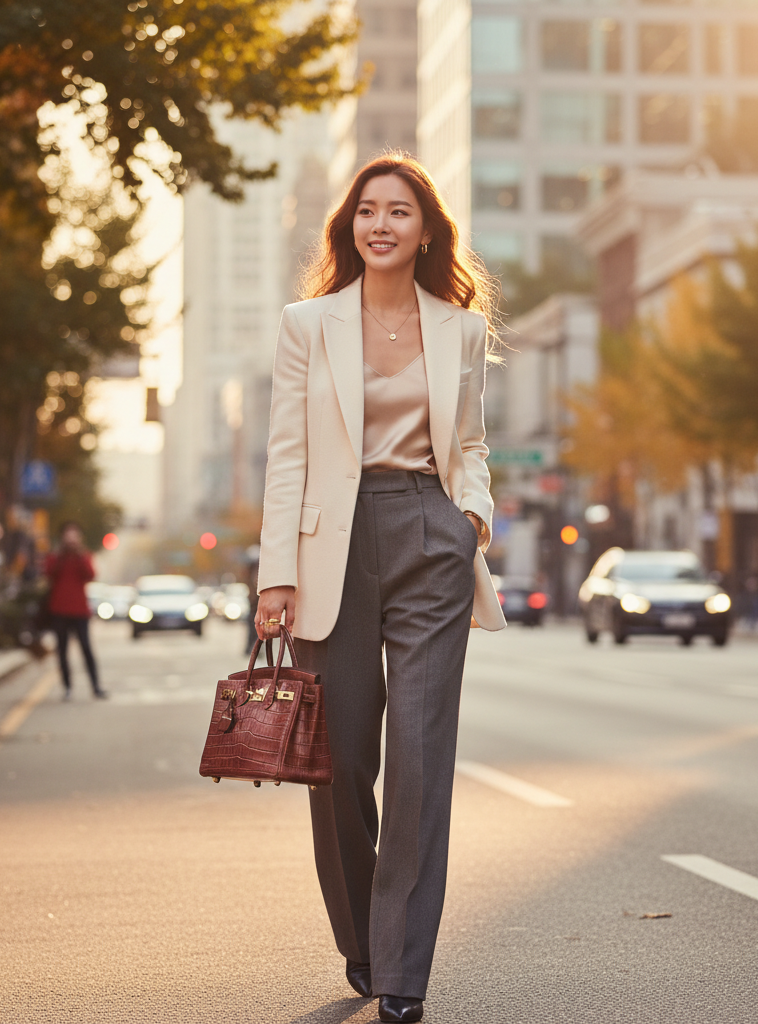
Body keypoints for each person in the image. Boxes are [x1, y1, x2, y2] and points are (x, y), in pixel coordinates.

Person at [255, 154, 505, 1024]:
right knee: (342, 760)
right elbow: (288, 452)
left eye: (400, 211)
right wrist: (275, 575)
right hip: (335, 543)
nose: (382, 225)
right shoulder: (307, 324)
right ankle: (363, 934)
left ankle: (403, 972)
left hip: (431, 534)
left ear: (426, 230)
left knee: (421, 762)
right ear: (350, 227)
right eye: (368, 211)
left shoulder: (459, 329)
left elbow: (469, 444)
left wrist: (469, 518)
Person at [44, 522, 106, 700]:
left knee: (86, 648)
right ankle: (67, 687)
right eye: (68, 534)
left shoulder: (83, 555)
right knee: (62, 651)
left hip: (80, 610)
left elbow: (90, 574)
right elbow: (49, 573)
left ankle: (95, 686)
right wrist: (61, 555)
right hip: (59, 610)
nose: (71, 538)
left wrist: (78, 554)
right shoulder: (56, 556)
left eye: (75, 535)